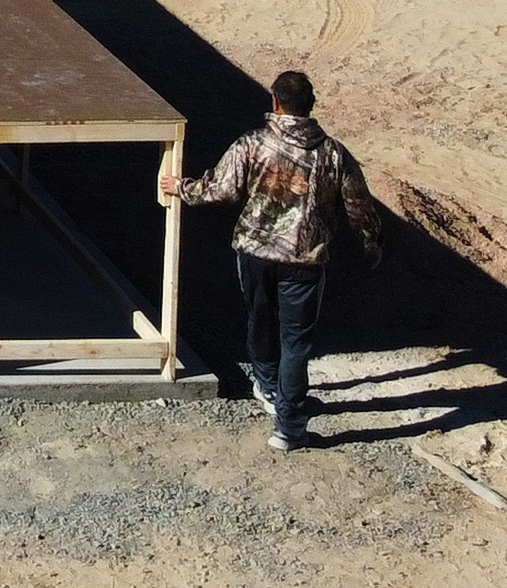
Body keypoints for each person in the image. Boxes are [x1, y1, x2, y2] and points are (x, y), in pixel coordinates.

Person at [162, 69, 385, 450]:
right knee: (296, 342)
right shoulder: (334, 153)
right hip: (305, 260)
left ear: (275, 102)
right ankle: (289, 427)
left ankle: (266, 387)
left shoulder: (252, 144)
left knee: (260, 321)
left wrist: (180, 187)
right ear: (310, 106)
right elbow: (358, 206)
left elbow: (220, 190)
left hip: (254, 253)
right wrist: (372, 242)